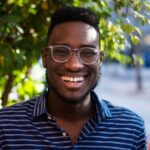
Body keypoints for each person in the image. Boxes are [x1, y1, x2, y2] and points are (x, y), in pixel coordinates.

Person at [0, 6, 147, 149]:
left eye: (88, 52)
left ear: (100, 60)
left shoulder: (131, 130)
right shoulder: (6, 127)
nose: (74, 65)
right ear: (45, 57)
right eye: (61, 51)